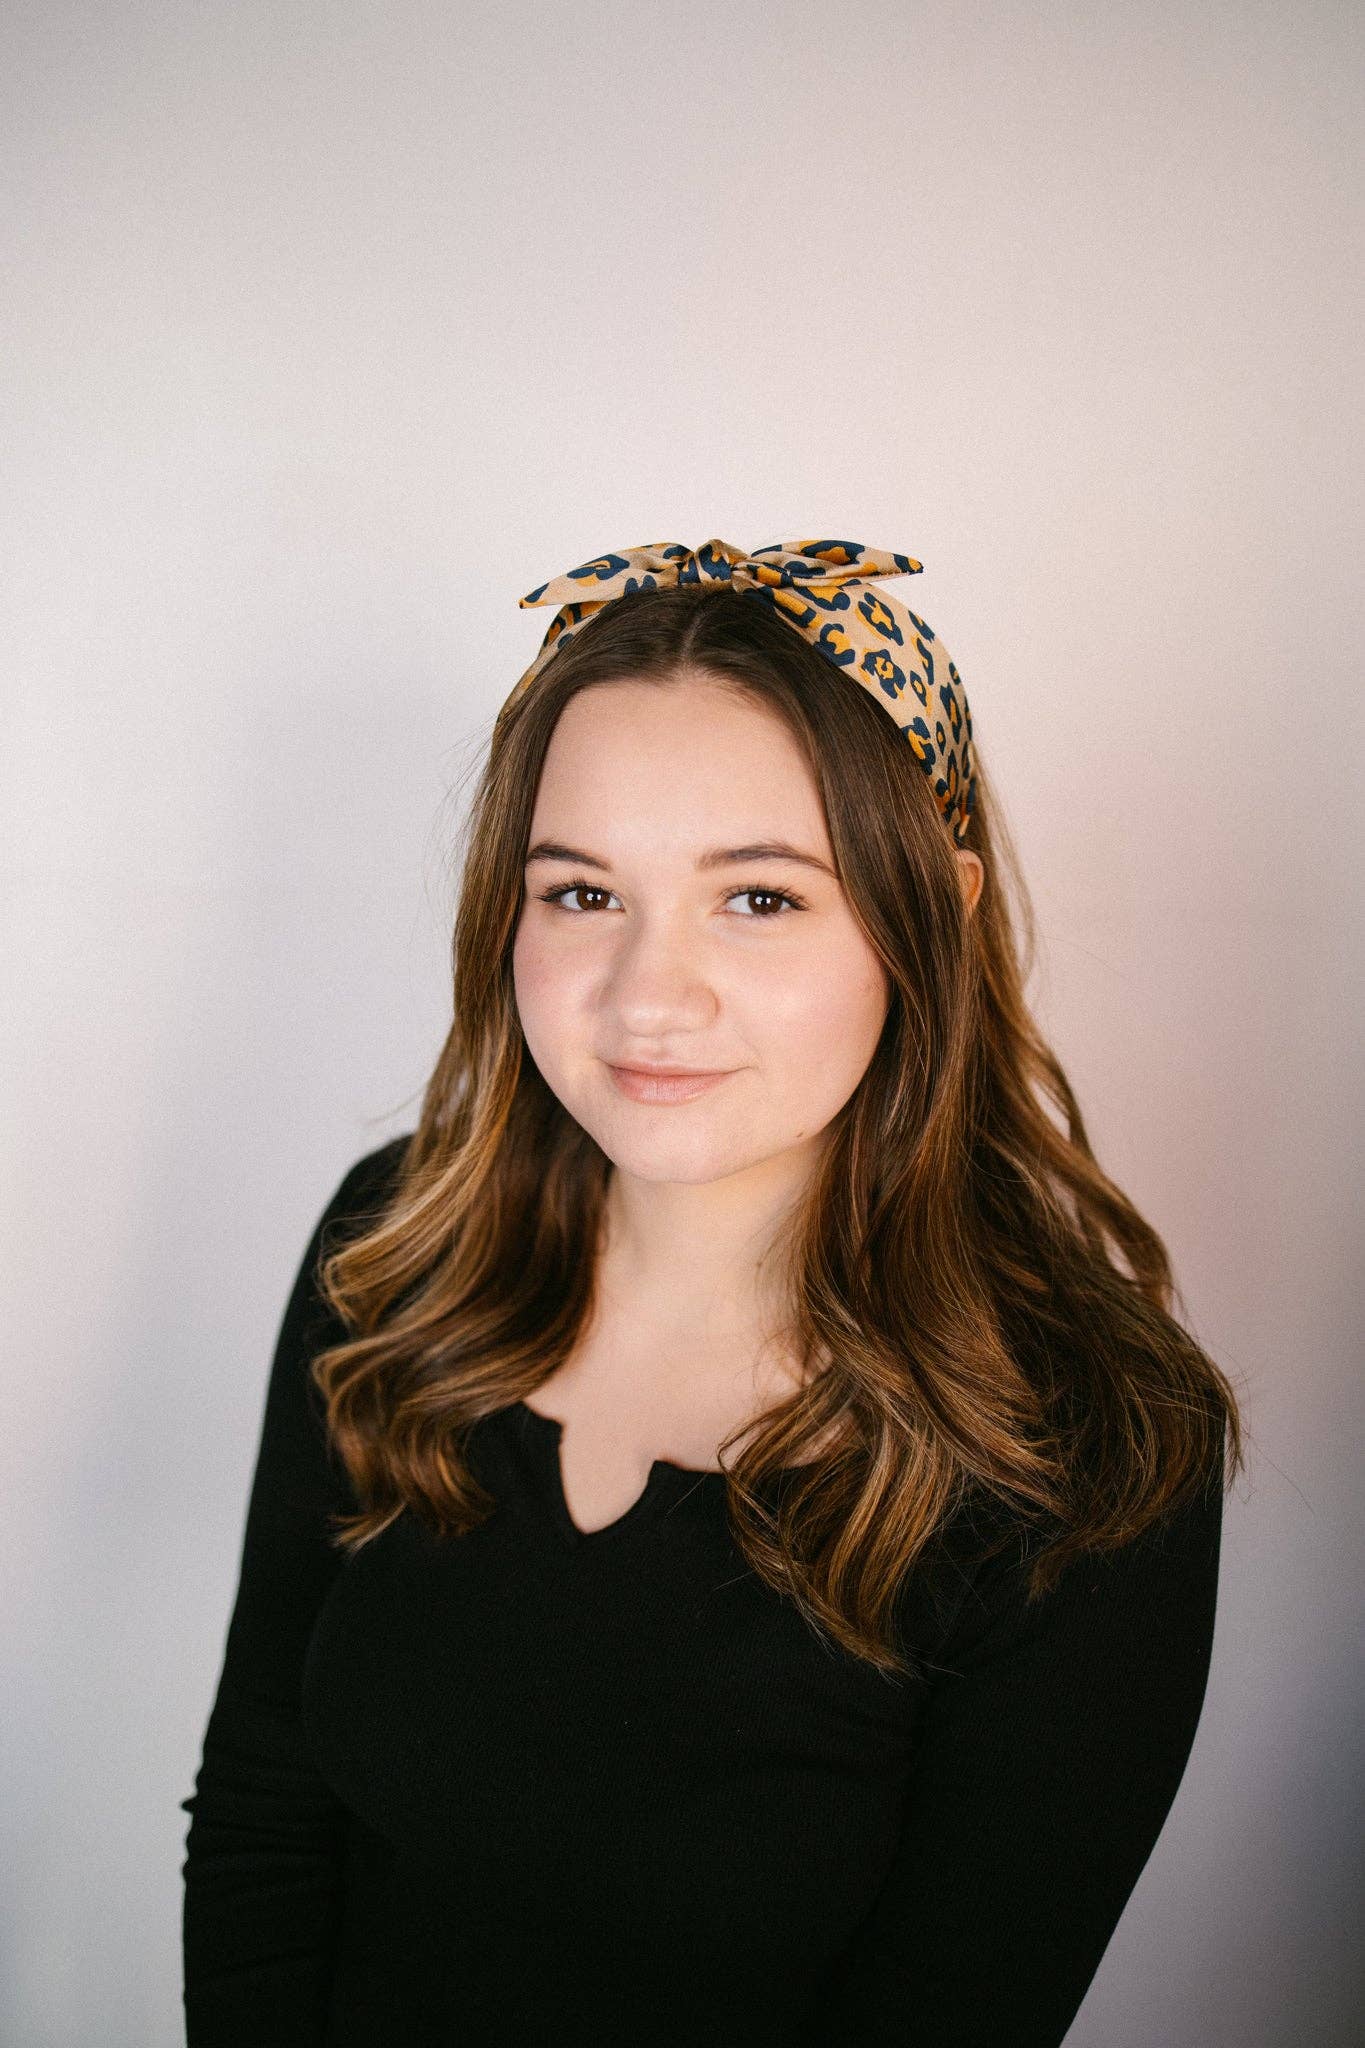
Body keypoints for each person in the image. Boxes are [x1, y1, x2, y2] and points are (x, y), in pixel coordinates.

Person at [180, 537, 1242, 2047]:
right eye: (580, 892)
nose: (646, 997)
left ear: (928, 913)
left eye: (758, 897)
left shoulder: (1094, 1443)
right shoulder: (395, 1253)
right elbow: (264, 1806)